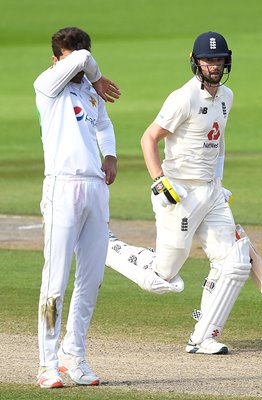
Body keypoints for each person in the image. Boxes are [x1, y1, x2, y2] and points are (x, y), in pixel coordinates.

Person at [105, 31, 251, 355]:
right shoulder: (183, 98)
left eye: (219, 59)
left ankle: (204, 335)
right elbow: (149, 138)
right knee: (163, 277)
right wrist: (159, 181)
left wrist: (219, 182)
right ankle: (106, 246)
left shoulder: (227, 96)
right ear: (196, 62)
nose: (214, 65)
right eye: (209, 60)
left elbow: (219, 143)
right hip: (180, 195)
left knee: (234, 261)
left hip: (210, 193)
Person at [34, 27, 121, 388]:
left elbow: (104, 124)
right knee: (55, 281)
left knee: (91, 280)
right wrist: (95, 74)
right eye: (69, 57)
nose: (78, 62)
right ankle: (47, 363)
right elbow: (83, 59)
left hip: (94, 189)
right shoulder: (47, 85)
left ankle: (74, 354)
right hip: (62, 187)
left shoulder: (89, 91)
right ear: (57, 60)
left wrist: (110, 155)